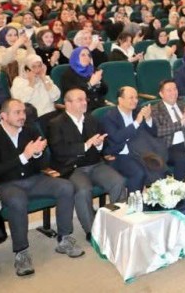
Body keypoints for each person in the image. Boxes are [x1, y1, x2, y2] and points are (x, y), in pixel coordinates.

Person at [0, 99, 83, 277]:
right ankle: (21, 252)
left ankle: (64, 238)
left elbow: (43, 164)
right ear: (3, 116)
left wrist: (37, 154)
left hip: (34, 179)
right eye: (17, 112)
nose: (22, 116)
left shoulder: (31, 131)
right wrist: (24, 156)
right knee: (17, 200)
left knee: (66, 187)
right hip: (7, 184)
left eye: (23, 112)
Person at [47, 88, 126, 240]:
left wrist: (99, 144)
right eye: (80, 100)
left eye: (85, 99)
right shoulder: (56, 124)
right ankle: (92, 231)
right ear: (67, 103)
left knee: (118, 181)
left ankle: (119, 221)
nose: (84, 102)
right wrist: (86, 145)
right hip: (72, 167)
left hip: (95, 164)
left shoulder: (92, 120)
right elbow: (59, 150)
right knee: (83, 190)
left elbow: (102, 146)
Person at [99, 87, 165, 192]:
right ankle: (134, 201)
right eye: (131, 98)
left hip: (140, 151)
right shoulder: (110, 117)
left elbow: (154, 132)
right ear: (120, 100)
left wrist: (148, 118)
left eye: (136, 97)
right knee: (139, 173)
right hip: (120, 155)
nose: (135, 101)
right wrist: (136, 122)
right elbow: (116, 138)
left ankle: (158, 197)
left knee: (158, 167)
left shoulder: (137, 111)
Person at [10, 54, 61, 130]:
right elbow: (20, 102)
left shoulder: (45, 78)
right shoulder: (19, 81)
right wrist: (31, 83)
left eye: (39, 66)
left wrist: (44, 79)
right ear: (27, 69)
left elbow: (56, 96)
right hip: (36, 118)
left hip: (53, 114)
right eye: (33, 67)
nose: (37, 70)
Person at [60, 47, 108, 112]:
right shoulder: (68, 75)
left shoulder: (93, 69)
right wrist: (90, 84)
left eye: (89, 55)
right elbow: (73, 96)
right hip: (82, 108)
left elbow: (104, 91)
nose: (87, 57)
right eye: (83, 55)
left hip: (99, 105)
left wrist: (99, 84)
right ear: (76, 57)